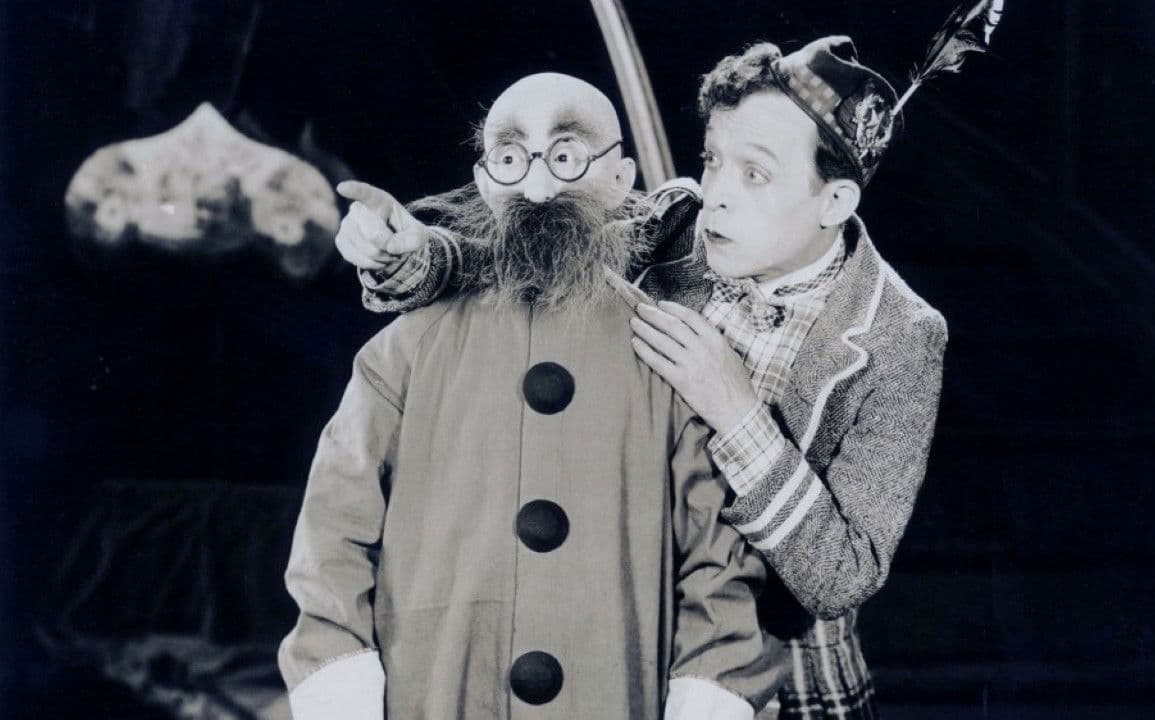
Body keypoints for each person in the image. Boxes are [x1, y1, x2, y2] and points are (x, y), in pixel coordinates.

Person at [340, 28, 998, 718]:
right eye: (713, 160)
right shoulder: (677, 223)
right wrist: (409, 255)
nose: (716, 194)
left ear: (833, 202)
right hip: (642, 658)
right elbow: (532, 254)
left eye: (755, 174)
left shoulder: (900, 334)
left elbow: (844, 575)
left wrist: (737, 413)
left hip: (792, 688)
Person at [278, 72, 786, 720]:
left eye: (567, 156)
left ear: (622, 178)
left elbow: (719, 572)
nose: (539, 189)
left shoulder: (674, 359)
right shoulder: (403, 355)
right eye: (512, 158)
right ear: (485, 180)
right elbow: (331, 540)